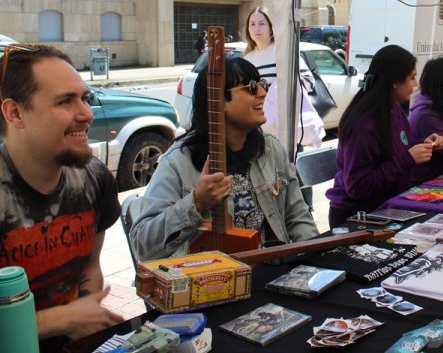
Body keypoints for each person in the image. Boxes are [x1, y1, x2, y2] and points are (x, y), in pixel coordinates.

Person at [128, 57, 318, 262]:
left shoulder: (270, 148)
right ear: (218, 101)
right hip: (208, 278)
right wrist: (196, 202)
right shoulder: (178, 161)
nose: (263, 93)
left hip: (271, 273)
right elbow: (142, 245)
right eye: (251, 87)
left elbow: (297, 217)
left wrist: (318, 262)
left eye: (261, 84)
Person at [0, 45, 123, 349]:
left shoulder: (95, 179)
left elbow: (90, 267)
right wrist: (62, 319)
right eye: (65, 101)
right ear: (15, 113)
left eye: (84, 98)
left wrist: (87, 317)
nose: (86, 114)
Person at [326, 45, 443, 227]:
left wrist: (424, 145)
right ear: (395, 82)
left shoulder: (393, 108)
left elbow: (395, 150)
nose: (415, 84)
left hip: (386, 207)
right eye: (411, 78)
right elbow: (357, 186)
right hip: (356, 216)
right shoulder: (364, 125)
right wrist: (408, 158)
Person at [243, 6, 325, 148]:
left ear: (271, 28)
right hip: (261, 128)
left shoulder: (283, 52)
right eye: (252, 24)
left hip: (288, 127)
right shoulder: (248, 58)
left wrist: (277, 89)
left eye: (262, 24)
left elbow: (308, 81)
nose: (257, 29)